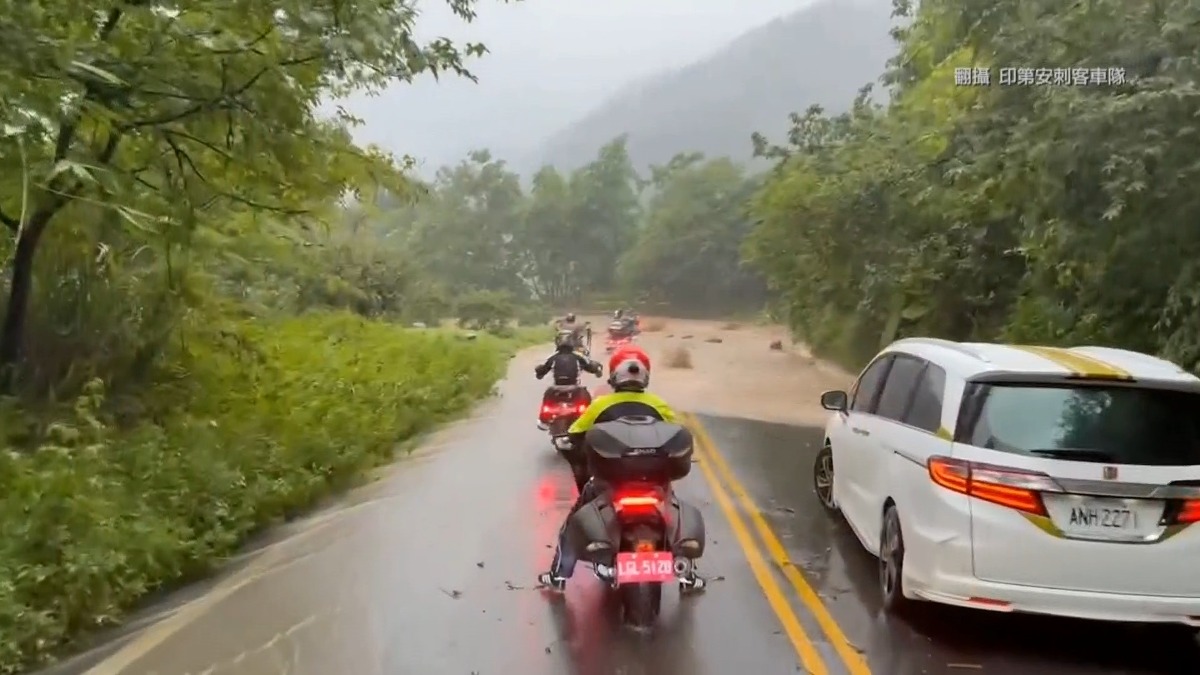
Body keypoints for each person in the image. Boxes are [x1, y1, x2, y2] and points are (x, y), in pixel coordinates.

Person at [536, 351, 705, 593]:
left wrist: (574, 450)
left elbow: (574, 434)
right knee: (672, 511)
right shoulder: (658, 403)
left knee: (572, 524)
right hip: (654, 480)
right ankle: (688, 576)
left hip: (610, 481)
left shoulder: (601, 404)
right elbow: (674, 431)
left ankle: (558, 576)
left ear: (614, 377)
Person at [534, 332, 602, 425]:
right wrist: (597, 370)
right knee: (587, 399)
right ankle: (590, 421)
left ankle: (543, 421)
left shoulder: (553, 357)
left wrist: (539, 373)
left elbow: (542, 370)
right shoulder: (578, 356)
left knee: (547, 396)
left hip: (556, 388)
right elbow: (590, 367)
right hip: (574, 387)